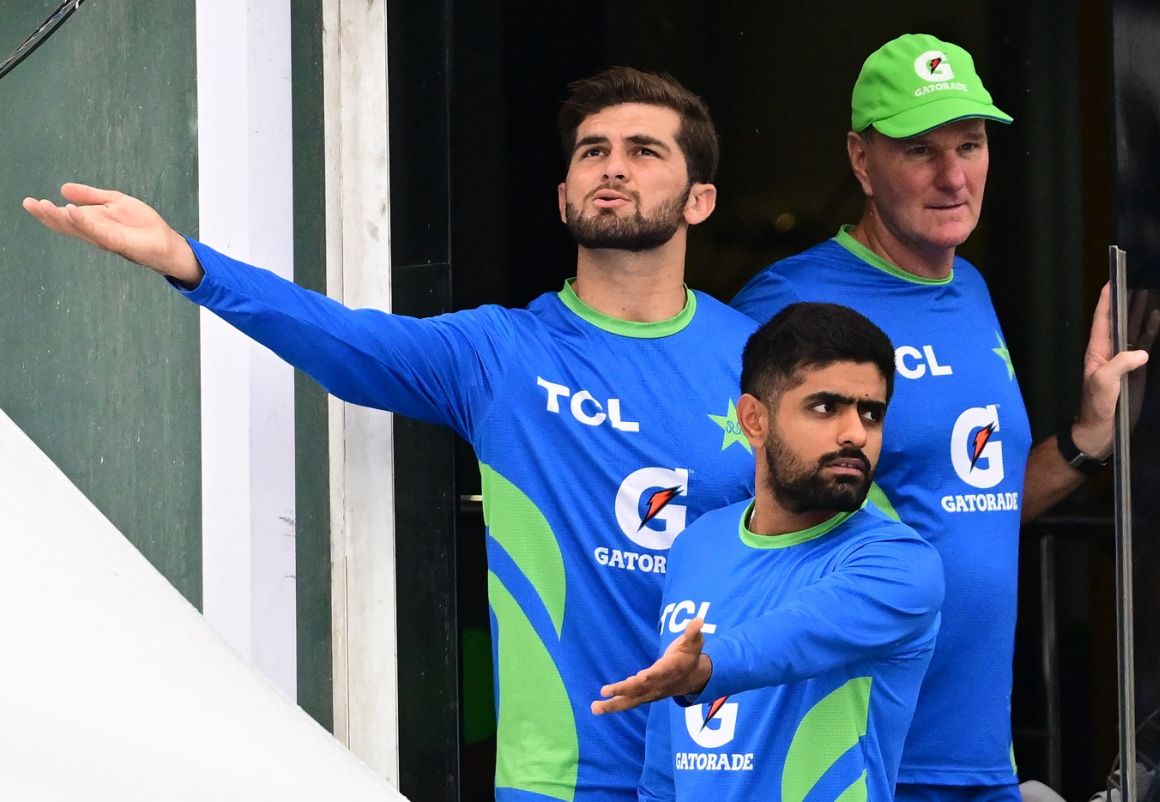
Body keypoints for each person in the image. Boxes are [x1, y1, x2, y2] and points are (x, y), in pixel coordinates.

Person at [23, 67, 757, 802]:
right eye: (592, 151)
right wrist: (190, 262)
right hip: (562, 779)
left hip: (736, 767)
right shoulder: (499, 354)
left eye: (645, 151)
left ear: (701, 200)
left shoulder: (764, 363)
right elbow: (345, 343)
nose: (614, 166)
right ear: (563, 195)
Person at [729, 34, 1154, 802]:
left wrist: (1088, 438)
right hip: (857, 754)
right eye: (920, 150)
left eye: (970, 143)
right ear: (861, 161)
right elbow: (743, 518)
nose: (953, 175)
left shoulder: (972, 291)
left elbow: (975, 504)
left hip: (975, 752)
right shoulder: (790, 302)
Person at [592, 302, 945, 801]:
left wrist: (706, 671)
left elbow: (796, 635)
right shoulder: (698, 545)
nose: (855, 434)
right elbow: (665, 773)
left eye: (871, 413)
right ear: (754, 420)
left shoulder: (900, 563)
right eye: (825, 407)